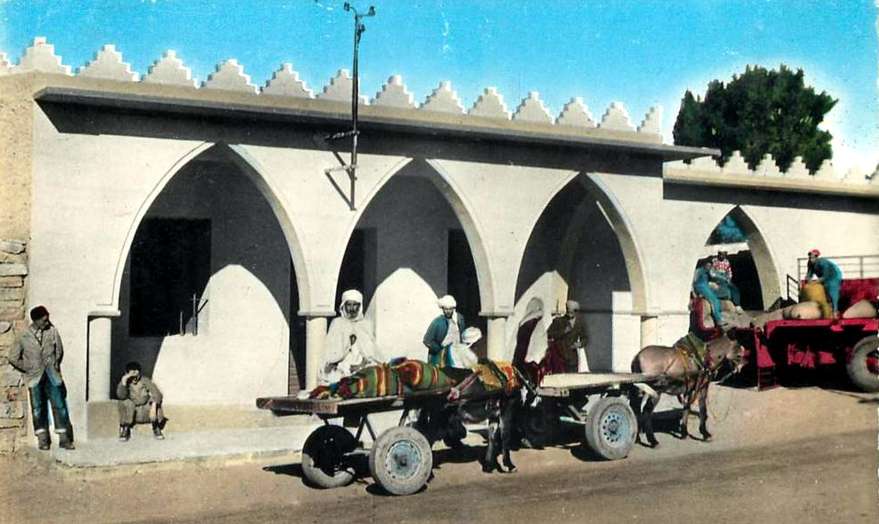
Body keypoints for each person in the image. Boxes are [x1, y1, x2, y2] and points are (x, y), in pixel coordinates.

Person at [8, 306, 74, 450]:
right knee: (38, 408)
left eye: (47, 318)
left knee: (60, 405)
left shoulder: (52, 331)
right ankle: (43, 439)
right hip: (34, 377)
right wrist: (28, 367)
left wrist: (54, 364)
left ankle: (64, 439)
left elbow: (59, 350)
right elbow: (13, 357)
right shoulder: (23, 335)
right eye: (44, 320)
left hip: (52, 375)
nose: (47, 322)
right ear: (36, 320)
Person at [319, 289, 379, 385]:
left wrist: (361, 365)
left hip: (361, 364)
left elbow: (371, 353)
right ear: (344, 306)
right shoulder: (337, 323)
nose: (352, 308)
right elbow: (332, 353)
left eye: (355, 304)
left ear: (360, 306)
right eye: (349, 305)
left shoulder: (365, 325)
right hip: (341, 365)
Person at [116, 361, 165, 441]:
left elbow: (157, 393)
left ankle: (156, 427)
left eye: (136, 370)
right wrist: (123, 383)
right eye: (131, 371)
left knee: (154, 401)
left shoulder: (145, 380)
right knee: (125, 402)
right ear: (127, 373)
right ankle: (125, 428)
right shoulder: (125, 381)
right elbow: (121, 396)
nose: (134, 373)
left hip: (145, 410)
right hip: (132, 411)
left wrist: (153, 406)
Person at [546, 300, 589, 373]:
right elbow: (549, 334)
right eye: (568, 311)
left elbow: (585, 338)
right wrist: (563, 332)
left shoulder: (579, 324)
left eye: (573, 311)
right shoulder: (558, 321)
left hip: (572, 358)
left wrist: (580, 344)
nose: (570, 313)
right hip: (559, 357)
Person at [423, 294, 465, 368]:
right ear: (442, 309)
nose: (448, 311)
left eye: (450, 309)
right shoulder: (437, 322)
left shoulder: (459, 319)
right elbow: (427, 340)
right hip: (440, 357)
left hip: (456, 354)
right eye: (446, 309)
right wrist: (440, 349)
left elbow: (462, 334)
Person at [805, 249, 843, 317]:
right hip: (823, 277)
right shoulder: (810, 263)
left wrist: (815, 282)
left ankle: (835, 311)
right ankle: (827, 309)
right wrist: (808, 280)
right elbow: (809, 274)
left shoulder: (823, 262)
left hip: (834, 275)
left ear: (817, 257)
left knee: (832, 290)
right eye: (810, 257)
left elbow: (826, 276)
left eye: (813, 257)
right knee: (823, 291)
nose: (811, 259)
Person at [693, 260, 725, 328]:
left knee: (717, 300)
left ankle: (720, 316)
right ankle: (718, 319)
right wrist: (694, 293)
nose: (709, 267)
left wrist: (713, 284)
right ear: (704, 265)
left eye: (710, 266)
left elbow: (712, 277)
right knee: (714, 300)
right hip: (700, 287)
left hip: (705, 286)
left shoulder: (707, 272)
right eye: (707, 265)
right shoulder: (699, 271)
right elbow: (694, 281)